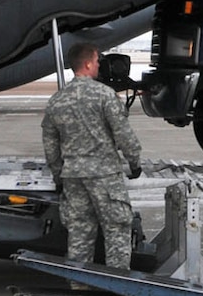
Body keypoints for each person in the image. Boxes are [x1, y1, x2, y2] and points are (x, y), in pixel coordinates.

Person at [41, 41, 143, 272]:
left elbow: (51, 146)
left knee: (79, 232)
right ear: (87, 64)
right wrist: (134, 162)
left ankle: (79, 284)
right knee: (116, 229)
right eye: (97, 61)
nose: (99, 65)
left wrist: (59, 176)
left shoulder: (57, 100)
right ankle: (118, 284)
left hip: (73, 177)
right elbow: (123, 134)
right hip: (104, 175)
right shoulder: (104, 95)